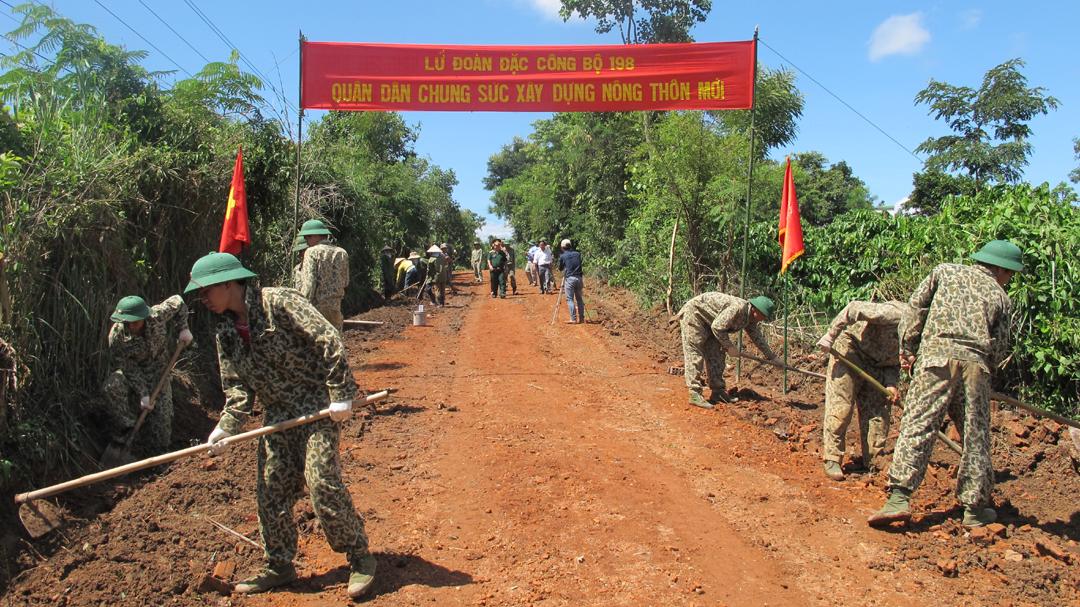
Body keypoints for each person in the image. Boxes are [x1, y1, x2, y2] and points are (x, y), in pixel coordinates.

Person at [188, 252, 376, 599]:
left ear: (229, 283)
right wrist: (226, 427)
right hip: (277, 415)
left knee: (322, 484)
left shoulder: (279, 302)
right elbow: (237, 387)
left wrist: (341, 393)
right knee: (271, 490)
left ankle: (360, 557)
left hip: (317, 406)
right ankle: (279, 565)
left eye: (205, 291)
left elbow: (328, 339)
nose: (202, 299)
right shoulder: (224, 329)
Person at [869, 240, 1022, 529]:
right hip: (975, 367)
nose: (1009, 279)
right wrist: (986, 371)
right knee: (975, 437)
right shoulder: (1001, 296)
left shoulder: (945, 272)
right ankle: (975, 510)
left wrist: (908, 347)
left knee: (918, 424)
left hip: (935, 361)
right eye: (1010, 274)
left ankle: (898, 499)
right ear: (1000, 269)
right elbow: (1000, 347)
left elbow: (915, 309)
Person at [816, 300, 906, 481]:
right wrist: (830, 336)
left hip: (878, 365)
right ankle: (832, 458)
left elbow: (894, 362)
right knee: (842, 408)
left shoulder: (921, 341)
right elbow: (853, 308)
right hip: (850, 351)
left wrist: (891, 384)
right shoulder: (895, 314)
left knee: (879, 414)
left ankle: (874, 461)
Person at [102, 294, 192, 455]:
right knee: (112, 385)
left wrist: (183, 328)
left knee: (162, 429)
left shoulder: (157, 315)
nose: (131, 327)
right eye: (126, 323)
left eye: (134, 322)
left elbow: (178, 301)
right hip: (135, 373)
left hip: (160, 372)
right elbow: (128, 367)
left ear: (144, 317)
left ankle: (157, 454)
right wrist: (143, 394)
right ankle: (128, 431)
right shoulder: (117, 337)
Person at [676, 293, 780, 409]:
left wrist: (772, 357)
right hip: (695, 315)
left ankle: (718, 392)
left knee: (717, 354)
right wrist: (730, 347)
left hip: (712, 322)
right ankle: (694, 393)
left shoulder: (750, 318)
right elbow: (717, 327)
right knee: (695, 352)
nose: (764, 319)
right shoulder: (738, 308)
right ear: (757, 311)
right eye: (764, 316)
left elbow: (757, 337)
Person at [296, 219, 349, 332]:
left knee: (315, 346)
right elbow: (345, 281)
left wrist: (301, 308)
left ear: (318, 236)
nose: (306, 240)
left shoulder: (311, 252)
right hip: (335, 308)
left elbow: (309, 286)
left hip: (316, 310)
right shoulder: (342, 252)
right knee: (335, 344)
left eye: (308, 236)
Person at [557, 239, 585, 322]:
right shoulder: (577, 254)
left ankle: (573, 319)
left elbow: (560, 268)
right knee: (579, 299)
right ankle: (582, 318)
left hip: (570, 278)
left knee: (570, 299)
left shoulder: (563, 256)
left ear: (562, 247)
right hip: (579, 278)